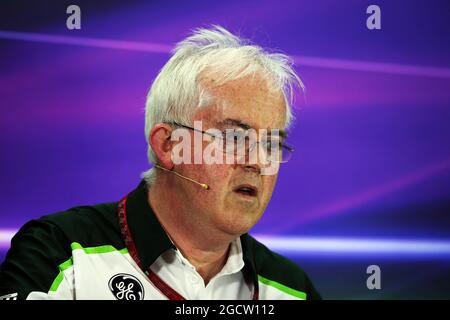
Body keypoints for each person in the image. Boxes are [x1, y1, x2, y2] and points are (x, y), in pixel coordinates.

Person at [0, 25, 321, 300]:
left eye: (271, 144)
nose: (257, 162)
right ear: (168, 144)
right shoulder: (61, 253)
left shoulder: (291, 288)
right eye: (235, 138)